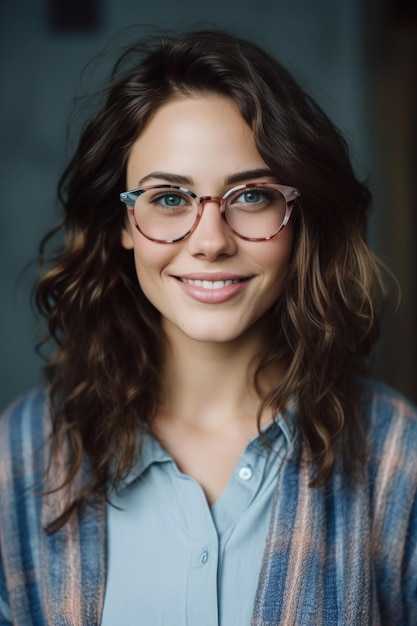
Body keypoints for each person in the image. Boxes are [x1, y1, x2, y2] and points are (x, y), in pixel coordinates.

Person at [0, 29, 416, 626]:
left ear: (299, 218)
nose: (212, 242)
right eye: (169, 198)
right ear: (121, 222)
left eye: (251, 195)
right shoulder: (21, 455)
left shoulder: (396, 457)